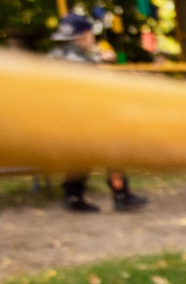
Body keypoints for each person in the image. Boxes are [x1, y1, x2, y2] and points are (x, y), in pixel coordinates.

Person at [47, 13, 145, 213]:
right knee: (112, 149)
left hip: (63, 114)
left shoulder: (55, 54)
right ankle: (121, 195)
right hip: (81, 113)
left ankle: (73, 195)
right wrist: (101, 57)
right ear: (84, 35)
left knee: (82, 154)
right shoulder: (77, 58)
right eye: (91, 35)